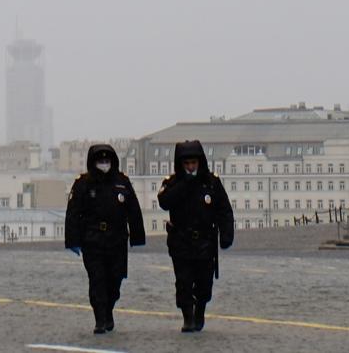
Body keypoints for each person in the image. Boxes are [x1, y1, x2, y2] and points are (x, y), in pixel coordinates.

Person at [64, 145, 146, 334]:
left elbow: (133, 210)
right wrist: (73, 240)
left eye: (107, 161)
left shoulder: (122, 182)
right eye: (100, 161)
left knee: (115, 281)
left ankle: (108, 310)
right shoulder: (83, 183)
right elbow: (73, 213)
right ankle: (100, 318)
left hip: (117, 240)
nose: (104, 165)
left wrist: (137, 236)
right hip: (92, 240)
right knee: (97, 280)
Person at [158, 140, 233, 333]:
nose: (191, 167)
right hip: (181, 241)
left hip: (205, 241)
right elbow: (164, 202)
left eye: (194, 163)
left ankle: (199, 312)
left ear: (200, 162)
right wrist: (185, 184)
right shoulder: (172, 182)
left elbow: (224, 210)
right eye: (187, 164)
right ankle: (188, 317)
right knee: (183, 281)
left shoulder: (211, 182)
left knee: (203, 283)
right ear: (181, 164)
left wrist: (226, 235)